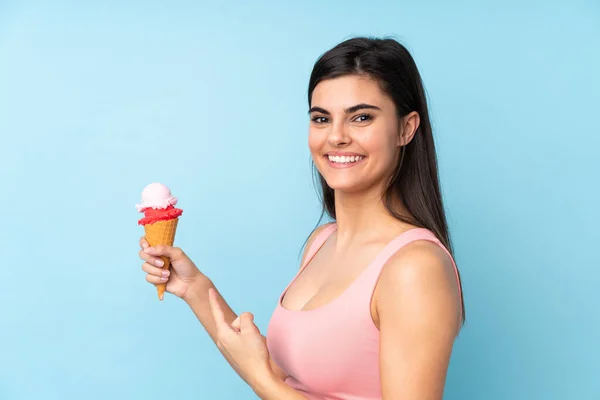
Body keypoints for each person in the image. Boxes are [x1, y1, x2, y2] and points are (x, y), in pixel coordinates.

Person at [138, 36, 465, 400]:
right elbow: (286, 374)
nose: (336, 137)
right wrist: (196, 287)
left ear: (406, 128)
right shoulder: (322, 241)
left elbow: (267, 379)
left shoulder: (415, 267)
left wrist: (259, 381)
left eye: (361, 117)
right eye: (321, 118)